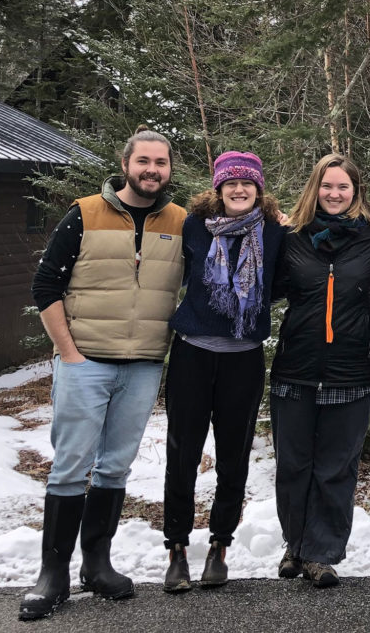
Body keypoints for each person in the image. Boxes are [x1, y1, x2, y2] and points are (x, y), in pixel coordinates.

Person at [22, 126, 186, 621]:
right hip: (86, 361)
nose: (151, 170)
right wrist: (68, 353)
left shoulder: (180, 222)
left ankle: (97, 564)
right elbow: (45, 286)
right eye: (144, 162)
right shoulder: (85, 214)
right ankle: (53, 574)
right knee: (71, 465)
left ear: (169, 169)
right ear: (126, 164)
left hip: (142, 366)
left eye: (160, 163)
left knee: (115, 466)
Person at [161, 152, 287, 592]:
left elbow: (285, 282)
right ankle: (176, 548)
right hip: (192, 354)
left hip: (243, 359)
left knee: (234, 457)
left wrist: (248, 300)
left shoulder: (275, 232)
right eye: (230, 184)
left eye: (247, 184)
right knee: (183, 455)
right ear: (217, 188)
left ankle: (219, 546)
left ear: (258, 188)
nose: (238, 190)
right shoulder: (194, 226)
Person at [268, 153, 370, 588]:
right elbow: (264, 285)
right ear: (314, 189)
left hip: (352, 370)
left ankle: (321, 554)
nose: (335, 193)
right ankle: (295, 546)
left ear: (356, 192)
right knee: (293, 465)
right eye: (327, 186)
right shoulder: (292, 237)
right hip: (295, 367)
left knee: (336, 467)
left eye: (343, 187)